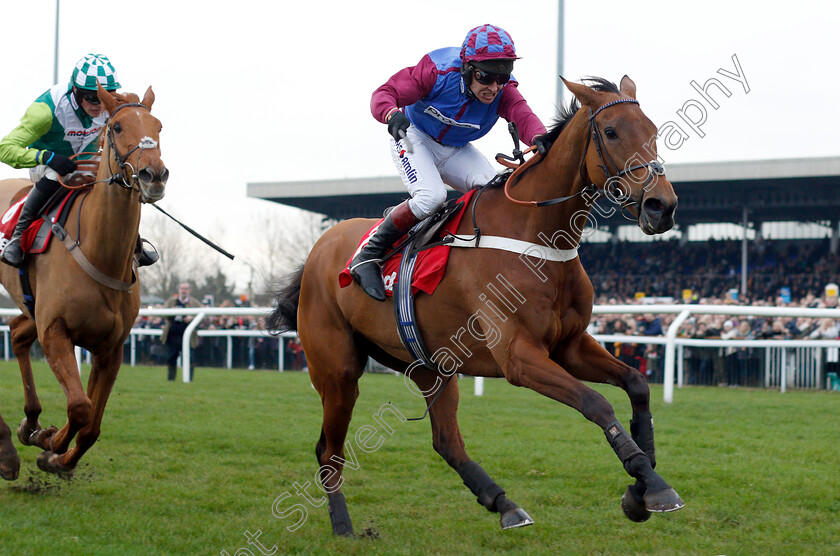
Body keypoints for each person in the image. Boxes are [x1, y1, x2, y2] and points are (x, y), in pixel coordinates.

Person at [352, 24, 548, 300]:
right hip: (414, 137)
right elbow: (384, 93)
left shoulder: (503, 92)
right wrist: (390, 114)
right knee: (431, 197)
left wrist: (539, 137)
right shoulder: (436, 71)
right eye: (486, 77)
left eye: (501, 79)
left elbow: (522, 113)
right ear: (467, 68)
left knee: (495, 194)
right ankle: (367, 255)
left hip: (456, 148)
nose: (494, 88)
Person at [0, 53, 157, 268]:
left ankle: (134, 241)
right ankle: (17, 238)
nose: (98, 106)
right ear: (75, 90)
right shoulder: (46, 110)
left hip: (88, 162)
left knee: (118, 177)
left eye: (103, 97)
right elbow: (5, 149)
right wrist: (46, 156)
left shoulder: (108, 105)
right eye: (91, 98)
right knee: (56, 174)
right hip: (47, 163)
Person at [161, 282, 202, 381]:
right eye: (182, 288)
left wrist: (192, 318)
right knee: (171, 358)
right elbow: (163, 314)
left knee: (189, 358)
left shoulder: (195, 303)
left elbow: (202, 317)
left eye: (186, 289)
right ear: (179, 290)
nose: (184, 291)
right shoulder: (171, 302)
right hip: (173, 335)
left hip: (188, 336)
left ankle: (189, 379)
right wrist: (172, 312)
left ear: (189, 291)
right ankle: (171, 379)